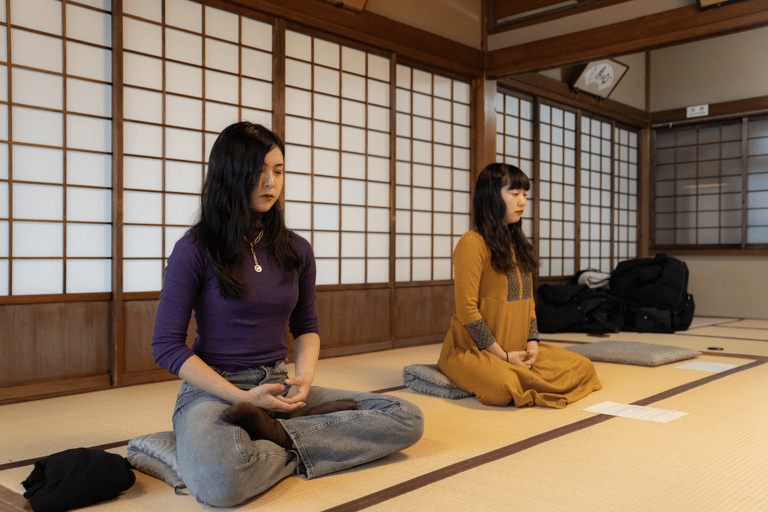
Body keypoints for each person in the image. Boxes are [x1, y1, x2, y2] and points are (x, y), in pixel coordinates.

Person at [151, 121, 424, 507]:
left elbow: (306, 326)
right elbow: (165, 346)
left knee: (404, 415)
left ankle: (276, 437)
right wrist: (242, 397)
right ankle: (278, 439)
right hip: (213, 390)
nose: (271, 182)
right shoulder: (194, 248)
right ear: (231, 174)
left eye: (278, 171)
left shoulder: (296, 249)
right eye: (259, 171)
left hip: (279, 384)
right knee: (221, 483)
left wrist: (305, 380)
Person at [438, 163, 602, 408]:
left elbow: (529, 302)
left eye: (525, 194)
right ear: (491, 196)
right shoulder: (471, 243)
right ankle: (513, 371)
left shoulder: (518, 243)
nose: (522, 201)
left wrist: (532, 342)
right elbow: (466, 311)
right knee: (505, 387)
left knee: (583, 367)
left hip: (518, 349)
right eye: (514, 194)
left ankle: (523, 370)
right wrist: (503, 355)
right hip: (475, 351)